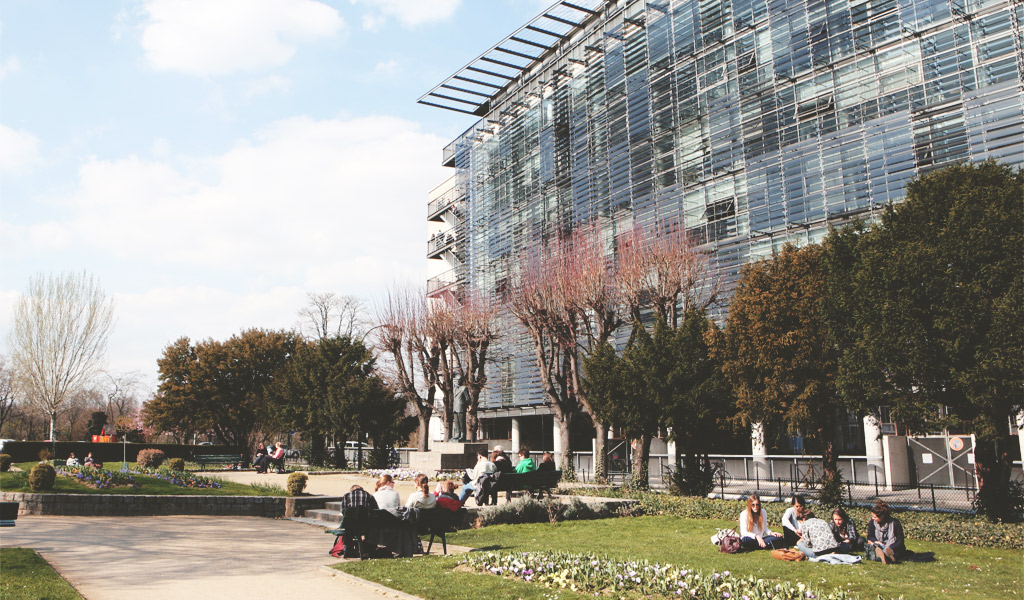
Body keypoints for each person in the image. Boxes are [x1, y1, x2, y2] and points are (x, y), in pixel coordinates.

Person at [450, 376, 468, 442]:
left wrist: (465, 406)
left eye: (458, 380)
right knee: (456, 422)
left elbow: (467, 399)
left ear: (461, 380)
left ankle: (463, 435)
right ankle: (457, 434)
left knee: (462, 422)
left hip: (461, 407)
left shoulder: (464, 388)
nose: (457, 381)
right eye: (456, 380)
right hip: (455, 407)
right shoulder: (455, 389)